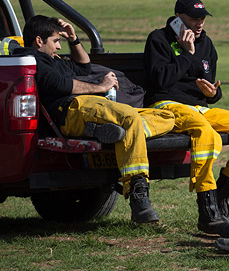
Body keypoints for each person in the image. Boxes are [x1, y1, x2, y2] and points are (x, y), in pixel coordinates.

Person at [15, 16, 176, 223]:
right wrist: (101, 87)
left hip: (91, 107)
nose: (58, 46)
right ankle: (138, 196)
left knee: (166, 116)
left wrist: (74, 39)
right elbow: (61, 86)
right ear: (39, 41)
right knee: (129, 116)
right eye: (56, 41)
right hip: (71, 110)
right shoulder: (32, 58)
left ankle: (114, 131)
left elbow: (84, 68)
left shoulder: (54, 60)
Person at [143, 0, 229, 234]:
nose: (200, 24)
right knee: (205, 132)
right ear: (178, 18)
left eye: (202, 19)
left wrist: (213, 93)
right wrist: (187, 54)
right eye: (194, 19)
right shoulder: (158, 39)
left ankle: (219, 197)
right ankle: (207, 212)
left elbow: (210, 88)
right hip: (166, 106)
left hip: (200, 108)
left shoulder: (206, 44)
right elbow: (160, 81)